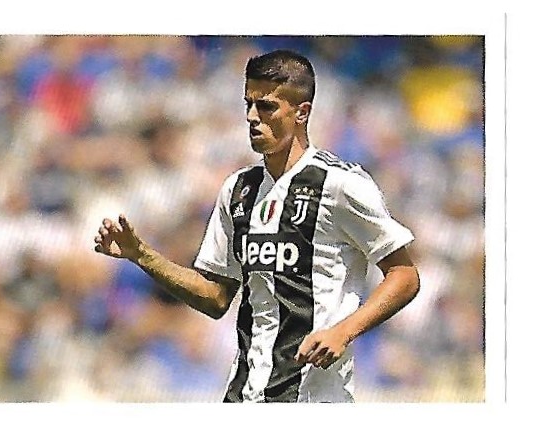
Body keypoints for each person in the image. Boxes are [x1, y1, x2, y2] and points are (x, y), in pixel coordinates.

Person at [93, 49, 420, 403]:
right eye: (248, 104)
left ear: (301, 112)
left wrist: (344, 331)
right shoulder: (238, 189)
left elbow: (404, 276)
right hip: (243, 395)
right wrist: (141, 255)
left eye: (266, 107)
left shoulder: (340, 184)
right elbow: (216, 297)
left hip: (313, 398)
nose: (252, 116)